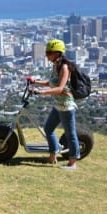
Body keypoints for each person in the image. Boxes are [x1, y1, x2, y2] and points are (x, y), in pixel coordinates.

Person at [28, 39, 80, 170]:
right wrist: (35, 82)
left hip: (66, 107)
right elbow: (51, 82)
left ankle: (73, 163)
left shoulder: (64, 67)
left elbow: (60, 88)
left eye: (49, 52)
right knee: (48, 129)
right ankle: (52, 156)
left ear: (58, 53)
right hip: (58, 105)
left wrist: (40, 92)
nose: (47, 55)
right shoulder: (55, 66)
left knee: (70, 135)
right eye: (46, 52)